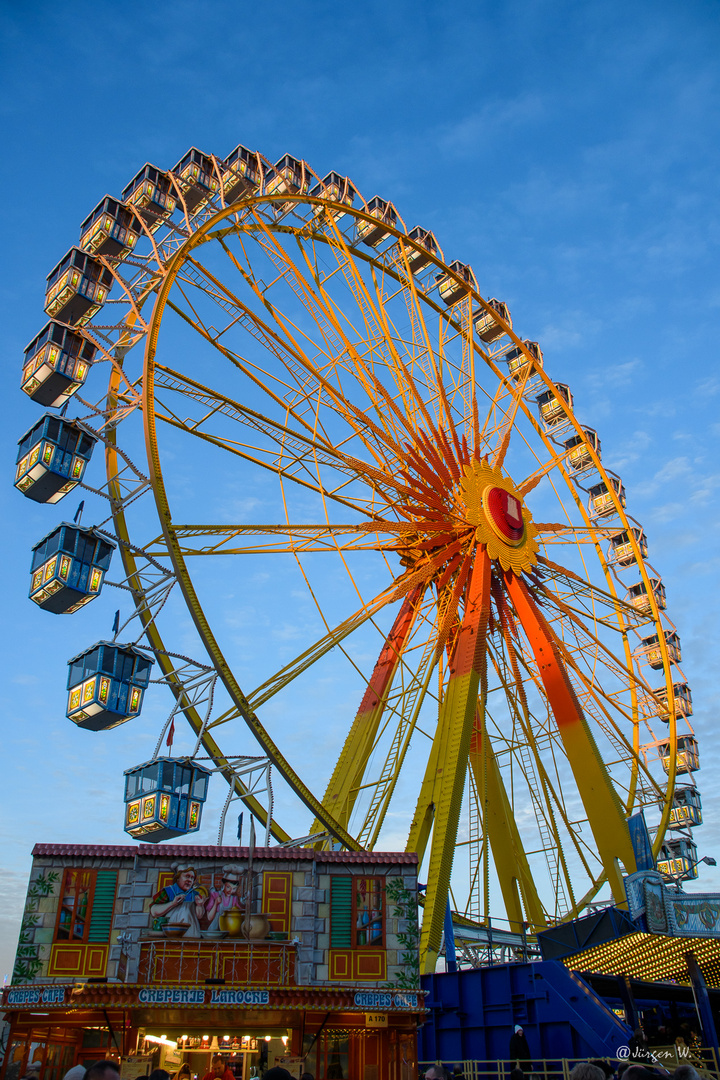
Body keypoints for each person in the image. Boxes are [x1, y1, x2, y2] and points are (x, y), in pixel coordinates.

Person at [150, 862, 207, 935]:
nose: (190, 880)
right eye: (187, 876)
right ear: (178, 877)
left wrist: (199, 905)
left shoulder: (195, 894)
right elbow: (154, 911)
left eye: (192, 878)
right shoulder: (168, 891)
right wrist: (172, 904)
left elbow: (199, 915)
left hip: (191, 933)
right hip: (171, 933)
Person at [204, 865, 244, 931]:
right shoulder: (215, 895)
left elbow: (239, 915)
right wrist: (216, 903)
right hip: (215, 929)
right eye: (228, 887)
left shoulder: (234, 899)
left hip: (228, 929)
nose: (230, 891)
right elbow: (209, 918)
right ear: (223, 885)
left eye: (234, 889)